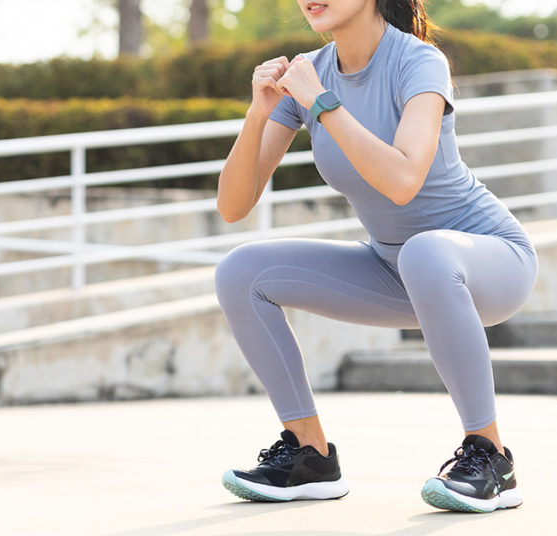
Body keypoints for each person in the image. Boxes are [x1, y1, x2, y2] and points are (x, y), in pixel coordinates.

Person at [214, 0, 537, 513]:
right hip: (395, 268)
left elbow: (403, 181)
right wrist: (259, 110)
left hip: (489, 260)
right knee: (241, 271)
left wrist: (322, 103)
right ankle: (309, 454)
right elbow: (234, 205)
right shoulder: (308, 76)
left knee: (426, 251)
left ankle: (491, 456)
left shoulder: (419, 63)